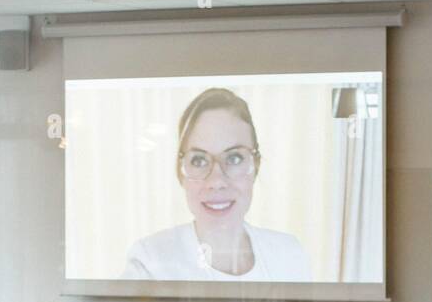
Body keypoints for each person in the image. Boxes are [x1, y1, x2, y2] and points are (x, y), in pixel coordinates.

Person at [122, 87, 312, 282]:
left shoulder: (290, 256)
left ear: (256, 165)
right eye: (199, 160)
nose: (216, 182)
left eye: (234, 158)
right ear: (181, 172)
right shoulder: (149, 263)